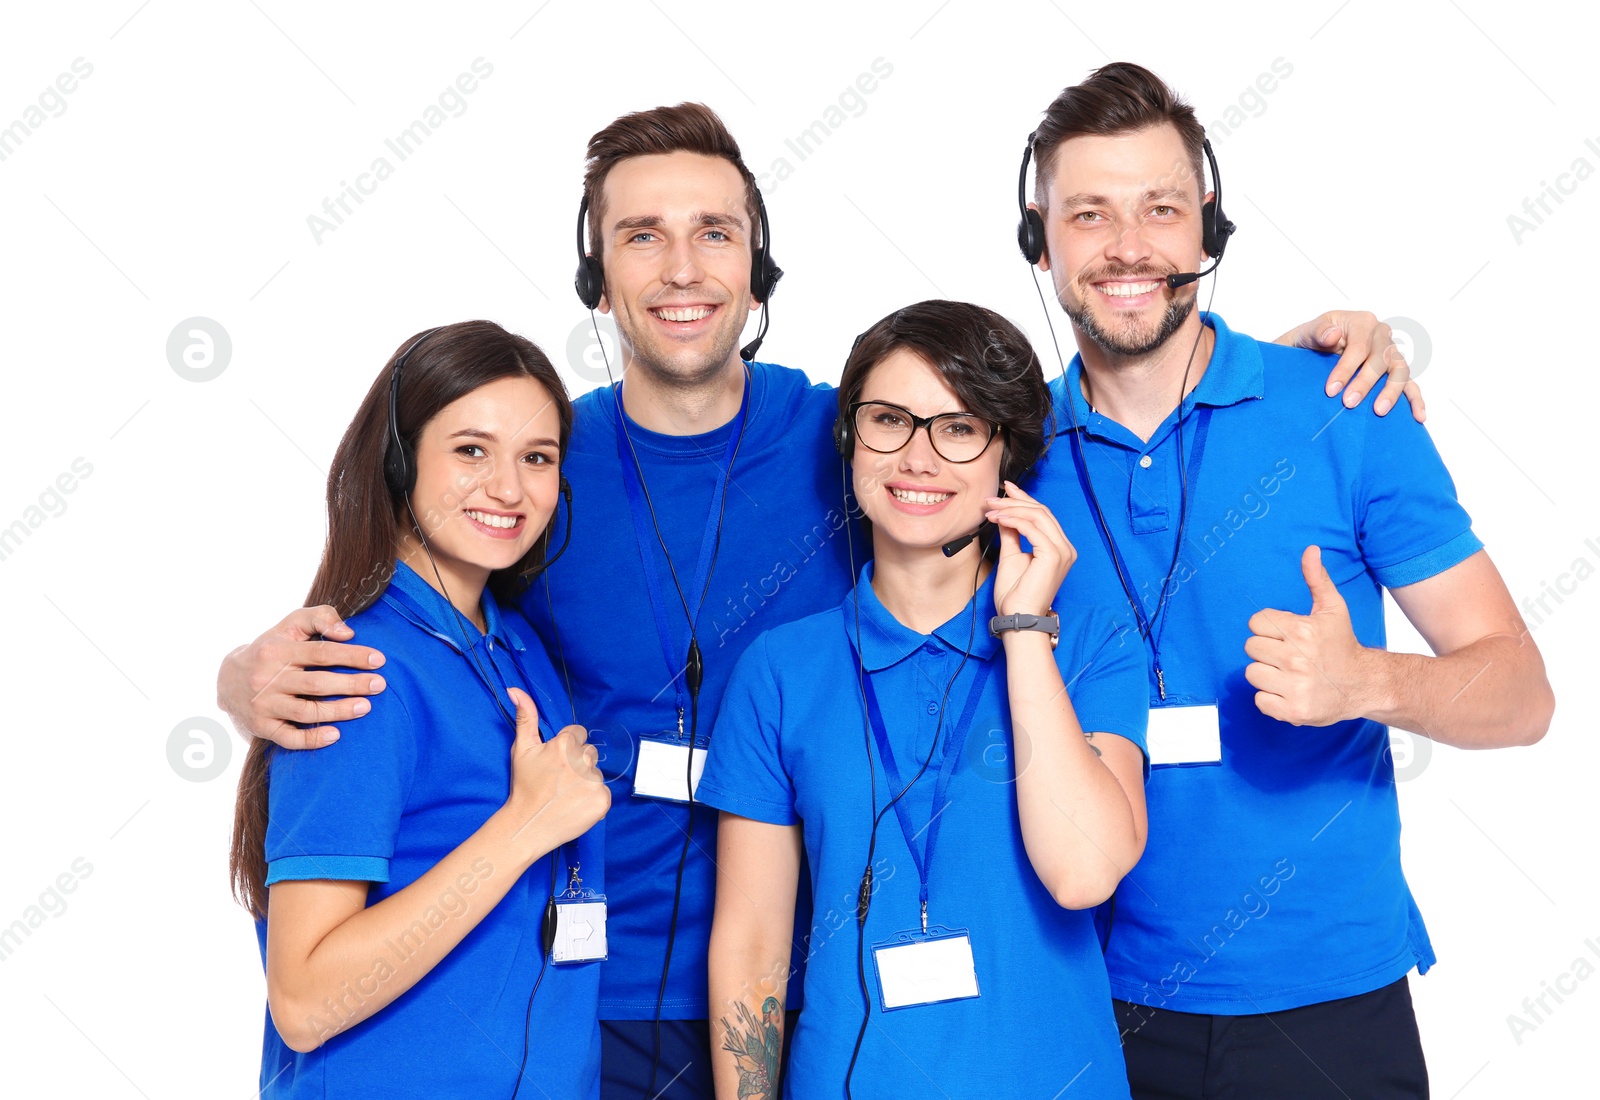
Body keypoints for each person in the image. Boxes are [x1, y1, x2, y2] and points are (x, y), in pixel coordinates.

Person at [216, 102, 1424, 1099]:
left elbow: (1049, 428)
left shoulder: (834, 439)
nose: (681, 268)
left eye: (714, 233)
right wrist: (247, 672)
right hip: (580, 995)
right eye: (641, 235)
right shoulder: (543, 459)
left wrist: (1287, 361)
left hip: (821, 994)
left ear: (758, 267)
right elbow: (428, 571)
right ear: (596, 271)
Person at [1019, 62, 1556, 1099]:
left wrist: (1369, 684)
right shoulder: (999, 451)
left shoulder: (1344, 405)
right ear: (1040, 241)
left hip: (1330, 1008)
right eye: (1089, 213)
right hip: (1082, 1000)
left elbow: (1521, 693)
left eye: (1160, 208)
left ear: (1206, 231)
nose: (1128, 245)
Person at [702, 300, 1147, 1099]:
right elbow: (754, 943)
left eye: (959, 427)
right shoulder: (781, 671)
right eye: (889, 421)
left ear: (1005, 455)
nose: (917, 456)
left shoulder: (1087, 641)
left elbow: (1084, 872)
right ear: (849, 439)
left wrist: (1021, 630)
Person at [228, 320, 610, 1098]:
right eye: (471, 450)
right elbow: (303, 1001)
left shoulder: (517, 647)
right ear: (400, 462)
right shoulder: (356, 674)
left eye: (535, 458)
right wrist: (523, 828)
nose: (508, 488)